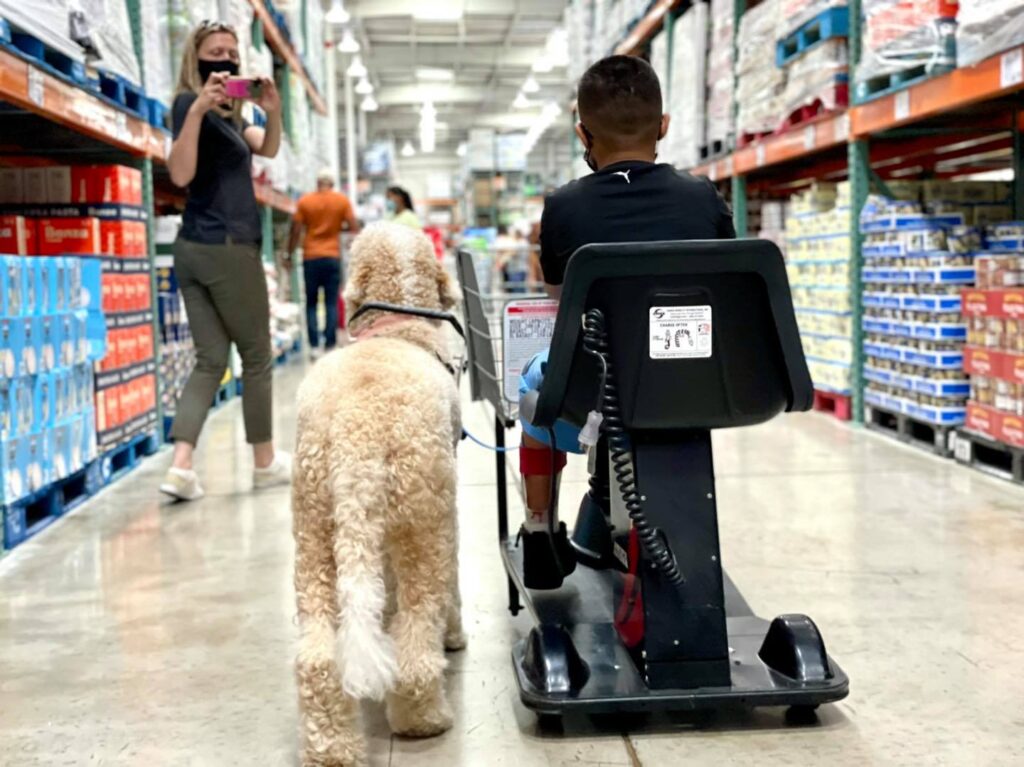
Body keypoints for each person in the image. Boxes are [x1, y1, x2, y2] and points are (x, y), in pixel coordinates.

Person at [517, 55, 736, 589]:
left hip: (595, 390)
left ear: (582, 134)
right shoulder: (704, 198)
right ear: (664, 126)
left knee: (531, 382)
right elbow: (728, 291)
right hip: (697, 382)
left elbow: (562, 306)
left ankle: (540, 530)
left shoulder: (563, 207)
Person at [159, 19, 291, 501]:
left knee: (210, 359)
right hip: (227, 248)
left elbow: (268, 148)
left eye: (232, 54)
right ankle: (264, 462)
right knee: (256, 356)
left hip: (195, 250)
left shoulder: (234, 117)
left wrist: (272, 110)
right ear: (195, 60)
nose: (226, 62)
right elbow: (180, 174)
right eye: (215, 53)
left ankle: (180, 468)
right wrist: (197, 108)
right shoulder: (186, 105)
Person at [287, 169, 360, 358]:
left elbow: (296, 229)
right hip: (332, 256)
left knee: (311, 302)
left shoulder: (305, 201)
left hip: (310, 256)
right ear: (332, 184)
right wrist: (340, 228)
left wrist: (289, 253)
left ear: (317, 182)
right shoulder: (341, 201)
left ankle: (313, 346)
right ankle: (329, 344)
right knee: (331, 301)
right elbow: (354, 227)